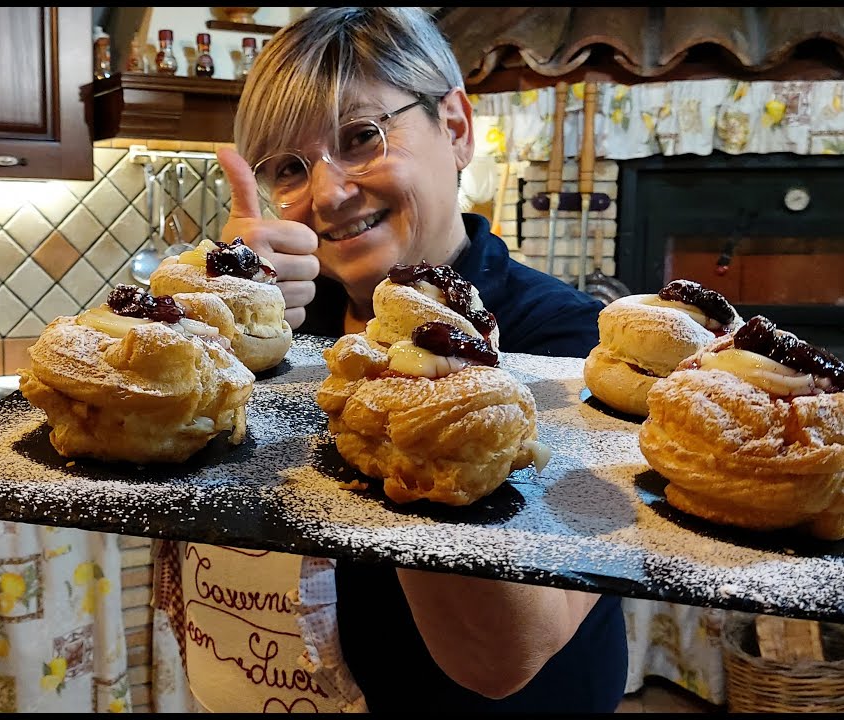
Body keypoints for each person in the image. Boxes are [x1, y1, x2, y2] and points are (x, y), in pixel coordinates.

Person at [179, 7, 628, 713]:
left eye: (362, 136)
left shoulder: (564, 345)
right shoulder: (297, 333)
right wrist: (224, 312)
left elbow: (503, 658)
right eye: (290, 168)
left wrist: (416, 400)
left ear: (456, 127)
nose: (327, 194)